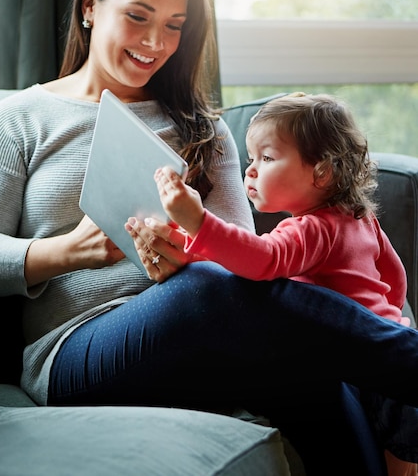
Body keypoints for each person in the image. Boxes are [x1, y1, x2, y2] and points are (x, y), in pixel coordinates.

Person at [0, 0, 418, 475]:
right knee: (211, 291)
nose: (156, 43)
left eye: (175, 27)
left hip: (208, 333)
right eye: (139, 17)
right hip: (78, 354)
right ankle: (405, 362)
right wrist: (68, 251)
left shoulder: (204, 130)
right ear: (89, 6)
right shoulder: (20, 119)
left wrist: (179, 254)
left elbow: (247, 266)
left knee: (306, 369)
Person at [152, 91, 417, 475]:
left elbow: (262, 260)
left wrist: (199, 222)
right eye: (251, 158)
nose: (251, 170)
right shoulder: (361, 218)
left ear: (322, 171)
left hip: (368, 375)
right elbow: (394, 279)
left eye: (267, 157)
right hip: (388, 348)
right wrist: (390, 319)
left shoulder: (310, 229)